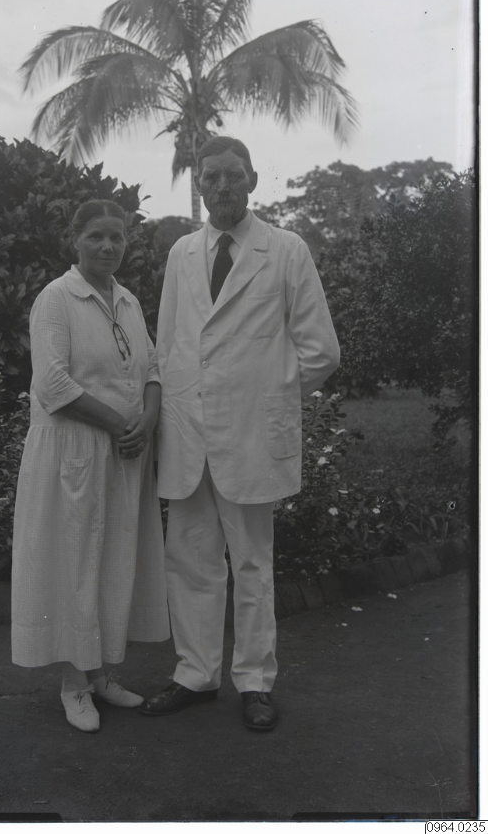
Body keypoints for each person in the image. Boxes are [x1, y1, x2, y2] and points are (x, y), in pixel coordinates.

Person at [139, 136, 340, 732]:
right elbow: (171, 343)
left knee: (252, 563)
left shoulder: (286, 249)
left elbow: (321, 351)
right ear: (199, 184)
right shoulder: (182, 253)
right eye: (210, 177)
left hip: (251, 437)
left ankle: (254, 682)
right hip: (187, 436)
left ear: (252, 178)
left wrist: (265, 400)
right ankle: (196, 674)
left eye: (233, 175)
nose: (222, 186)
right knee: (190, 560)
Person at [12, 199, 170, 733]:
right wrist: (120, 423)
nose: (107, 246)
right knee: (75, 566)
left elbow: (153, 368)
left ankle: (101, 675)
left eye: (117, 237)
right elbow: (52, 383)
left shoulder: (127, 301)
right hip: (73, 453)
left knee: (112, 563)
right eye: (96, 236)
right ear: (75, 239)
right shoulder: (56, 299)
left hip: (122, 453)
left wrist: (147, 420)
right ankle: (73, 685)